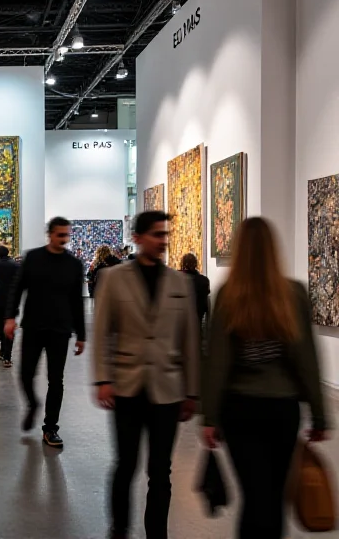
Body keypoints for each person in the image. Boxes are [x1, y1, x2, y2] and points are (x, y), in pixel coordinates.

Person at [201, 217, 328, 539]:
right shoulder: (293, 293)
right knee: (272, 496)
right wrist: (319, 413)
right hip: (281, 410)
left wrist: (210, 416)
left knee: (255, 495)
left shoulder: (228, 294)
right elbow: (306, 359)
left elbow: (216, 361)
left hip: (239, 409)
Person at [92, 211, 199, 539]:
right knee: (125, 465)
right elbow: (101, 332)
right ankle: (119, 529)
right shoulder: (113, 279)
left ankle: (157, 533)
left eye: (165, 234)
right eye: (155, 234)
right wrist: (103, 379)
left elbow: (190, 340)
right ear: (137, 238)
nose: (162, 240)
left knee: (160, 472)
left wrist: (192, 391)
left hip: (167, 390)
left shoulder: (180, 282)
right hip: (127, 386)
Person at [4, 217, 86, 447]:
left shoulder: (74, 265)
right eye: (60, 235)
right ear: (49, 234)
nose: (63, 240)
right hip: (33, 326)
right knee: (25, 374)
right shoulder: (34, 258)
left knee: (56, 380)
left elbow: (77, 301)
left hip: (60, 329)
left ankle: (51, 428)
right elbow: (17, 288)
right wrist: (10, 317)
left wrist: (81, 335)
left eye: (66, 235)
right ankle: (32, 404)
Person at [0, 245, 19, 368]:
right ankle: (7, 355)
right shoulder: (15, 265)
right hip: (11, 301)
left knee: (0, 326)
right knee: (9, 328)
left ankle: (3, 350)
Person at [179, 253, 210, 325]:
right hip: (197, 324)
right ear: (196, 264)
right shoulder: (204, 281)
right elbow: (206, 306)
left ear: (183, 264)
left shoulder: (177, 279)